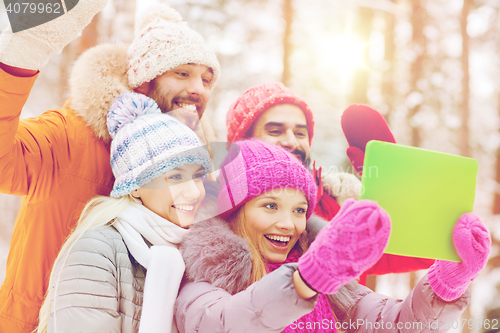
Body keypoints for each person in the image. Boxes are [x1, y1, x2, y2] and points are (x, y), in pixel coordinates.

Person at [0, 2, 219, 331]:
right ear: (144, 82)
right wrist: (25, 52)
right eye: (182, 73)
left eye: (207, 79)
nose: (198, 89)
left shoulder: (197, 175)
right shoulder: (71, 135)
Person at [175, 139, 490, 333]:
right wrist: (305, 280)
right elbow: (224, 324)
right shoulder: (204, 278)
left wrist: (447, 283)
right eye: (270, 206)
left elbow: (392, 324)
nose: (288, 223)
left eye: (299, 210)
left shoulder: (329, 282)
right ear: (234, 209)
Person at [225, 82, 434, 285]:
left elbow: (424, 251)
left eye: (300, 133)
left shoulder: (335, 207)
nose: (291, 141)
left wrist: (393, 184)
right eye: (275, 131)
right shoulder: (221, 216)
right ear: (243, 143)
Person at [36, 92, 212, 333]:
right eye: (175, 177)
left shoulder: (200, 251)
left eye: (198, 176)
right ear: (136, 185)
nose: (193, 193)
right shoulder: (96, 252)